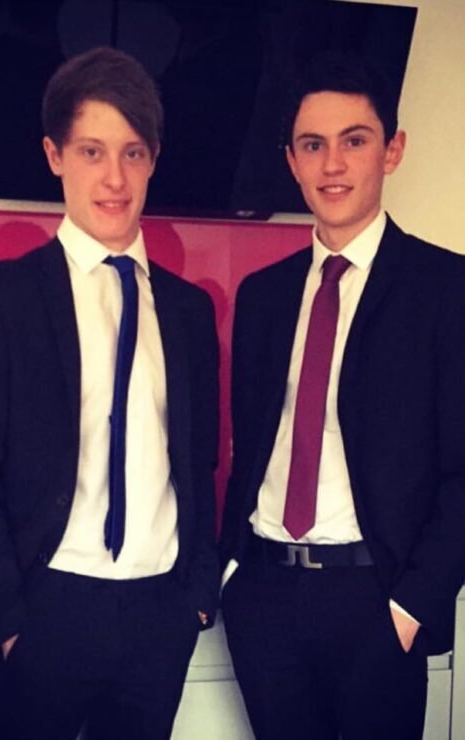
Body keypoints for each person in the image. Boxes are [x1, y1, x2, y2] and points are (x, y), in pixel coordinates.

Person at [0, 46, 220, 740]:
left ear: (153, 159)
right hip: (46, 609)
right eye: (92, 151)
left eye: (132, 153)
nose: (114, 177)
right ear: (54, 155)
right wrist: (8, 621)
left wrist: (195, 596)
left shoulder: (188, 311)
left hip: (160, 613)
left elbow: (200, 460)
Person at [220, 51, 465, 740]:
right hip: (264, 594)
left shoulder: (447, 291)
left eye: (354, 140)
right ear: (292, 162)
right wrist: (231, 573)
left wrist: (411, 604)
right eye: (312, 145)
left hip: (375, 601)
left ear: (392, 150)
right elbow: (249, 447)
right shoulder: (263, 296)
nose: (332, 164)